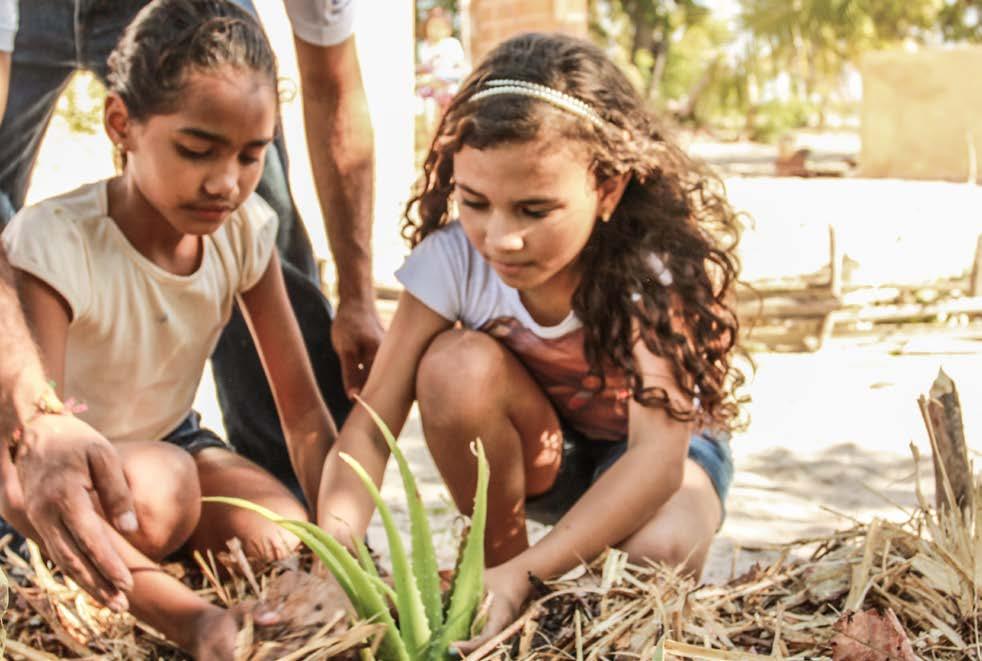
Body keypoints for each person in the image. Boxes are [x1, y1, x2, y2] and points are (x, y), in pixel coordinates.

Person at [316, 32, 743, 650]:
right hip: (549, 457)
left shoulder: (652, 273)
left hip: (660, 461)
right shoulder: (452, 263)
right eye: (475, 202)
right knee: (453, 367)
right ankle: (499, 576)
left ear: (609, 189)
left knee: (656, 556)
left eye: (534, 210)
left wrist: (535, 572)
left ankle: (519, 579)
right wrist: (339, 552)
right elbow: (368, 427)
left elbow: (656, 462)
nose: (500, 238)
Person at [0, 0, 379, 605]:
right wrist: (187, 617)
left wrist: (342, 558)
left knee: (280, 534)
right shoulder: (54, 243)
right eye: (197, 150)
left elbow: (305, 419)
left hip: (173, 440)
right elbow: (29, 455)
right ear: (121, 124)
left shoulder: (245, 231)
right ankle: (140, 575)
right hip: (65, 471)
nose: (226, 182)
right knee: (161, 490)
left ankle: (173, 550)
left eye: (252, 155)